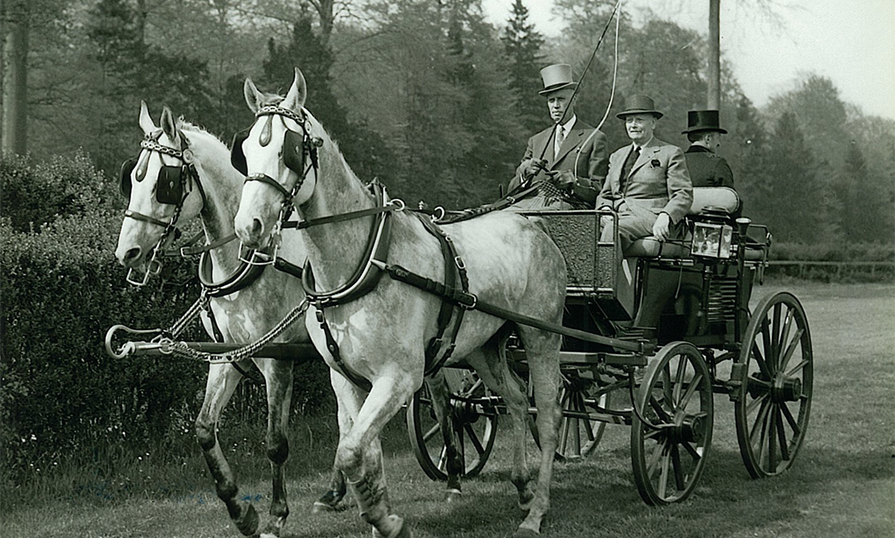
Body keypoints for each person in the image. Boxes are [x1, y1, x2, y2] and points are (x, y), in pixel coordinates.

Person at [595, 94, 693, 251]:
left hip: (651, 216)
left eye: (639, 120)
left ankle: (605, 269)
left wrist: (666, 215)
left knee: (612, 230)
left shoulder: (670, 153)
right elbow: (605, 194)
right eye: (629, 121)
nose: (633, 125)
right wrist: (605, 210)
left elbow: (683, 194)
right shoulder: (617, 156)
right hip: (617, 215)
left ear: (653, 123)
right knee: (580, 229)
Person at [508, 63, 608, 208]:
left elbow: (600, 188)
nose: (555, 105)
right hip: (531, 205)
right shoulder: (536, 141)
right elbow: (511, 190)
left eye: (561, 99)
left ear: (574, 100)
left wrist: (573, 182)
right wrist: (524, 172)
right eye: (551, 100)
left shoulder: (594, 138)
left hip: (570, 208)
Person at [682, 109, 734, 188]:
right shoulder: (718, 164)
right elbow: (729, 195)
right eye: (718, 138)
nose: (719, 144)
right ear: (708, 138)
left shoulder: (676, 162)